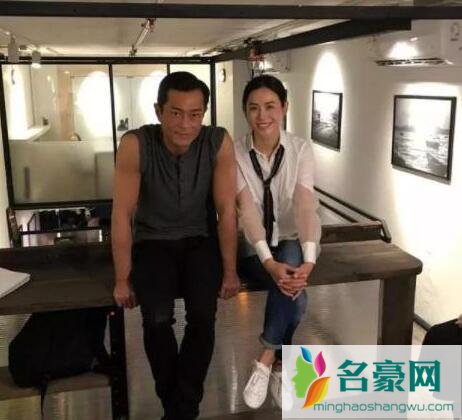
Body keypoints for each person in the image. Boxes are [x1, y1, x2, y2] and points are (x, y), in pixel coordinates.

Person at [111, 71, 240, 420]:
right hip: (152, 241)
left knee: (203, 317)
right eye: (176, 113)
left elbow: (227, 210)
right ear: (159, 111)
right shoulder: (136, 144)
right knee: (156, 319)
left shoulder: (217, 141)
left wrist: (230, 271)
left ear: (204, 114)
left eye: (195, 114)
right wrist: (122, 278)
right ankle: (181, 410)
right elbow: (121, 214)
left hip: (200, 240)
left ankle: (179, 411)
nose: (185, 124)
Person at [235, 75, 321, 409]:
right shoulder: (236, 152)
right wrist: (268, 262)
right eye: (254, 108)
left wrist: (310, 261)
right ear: (245, 112)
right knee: (296, 298)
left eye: (270, 106)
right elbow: (247, 211)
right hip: (254, 247)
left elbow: (304, 205)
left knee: (292, 257)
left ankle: (266, 358)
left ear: (284, 107)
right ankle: (282, 363)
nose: (262, 116)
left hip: (293, 239)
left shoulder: (300, 150)